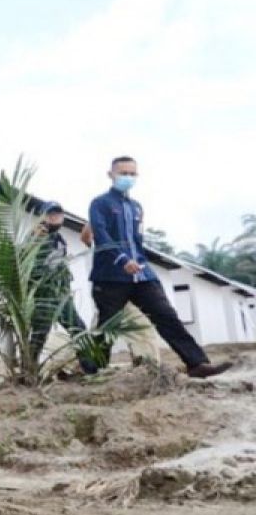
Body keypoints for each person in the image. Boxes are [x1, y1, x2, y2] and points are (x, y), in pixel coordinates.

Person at [88, 157, 231, 379]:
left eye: (132, 173)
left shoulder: (136, 207)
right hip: (111, 277)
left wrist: (142, 264)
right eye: (123, 173)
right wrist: (122, 259)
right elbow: (101, 235)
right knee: (107, 326)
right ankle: (94, 372)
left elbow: (137, 241)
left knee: (167, 316)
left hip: (142, 276)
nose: (127, 177)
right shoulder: (100, 203)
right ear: (111, 174)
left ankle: (197, 363)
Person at [27, 202, 98, 375]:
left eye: (58, 215)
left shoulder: (58, 239)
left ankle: (90, 369)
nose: (54, 218)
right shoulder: (34, 237)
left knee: (78, 329)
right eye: (50, 215)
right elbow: (26, 265)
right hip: (43, 296)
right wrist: (34, 240)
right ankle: (28, 371)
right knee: (39, 335)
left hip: (61, 295)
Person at [80, 224, 161, 366]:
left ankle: (146, 364)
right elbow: (86, 238)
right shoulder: (103, 242)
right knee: (102, 333)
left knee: (139, 330)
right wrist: (94, 221)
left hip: (130, 294)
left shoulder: (131, 245)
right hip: (109, 295)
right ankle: (83, 367)